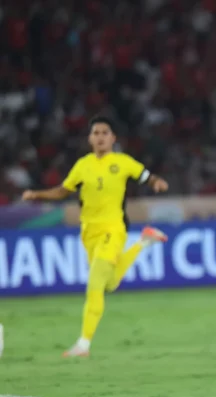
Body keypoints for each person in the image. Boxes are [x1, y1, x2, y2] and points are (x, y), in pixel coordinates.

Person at [22, 116, 169, 357]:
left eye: (104, 133)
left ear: (113, 138)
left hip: (113, 229)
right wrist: (37, 195)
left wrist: (156, 182)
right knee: (109, 284)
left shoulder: (123, 162)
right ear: (90, 139)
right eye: (96, 133)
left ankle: (83, 344)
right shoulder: (83, 166)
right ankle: (144, 241)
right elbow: (63, 191)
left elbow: (146, 176)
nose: (100, 137)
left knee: (95, 284)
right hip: (89, 232)